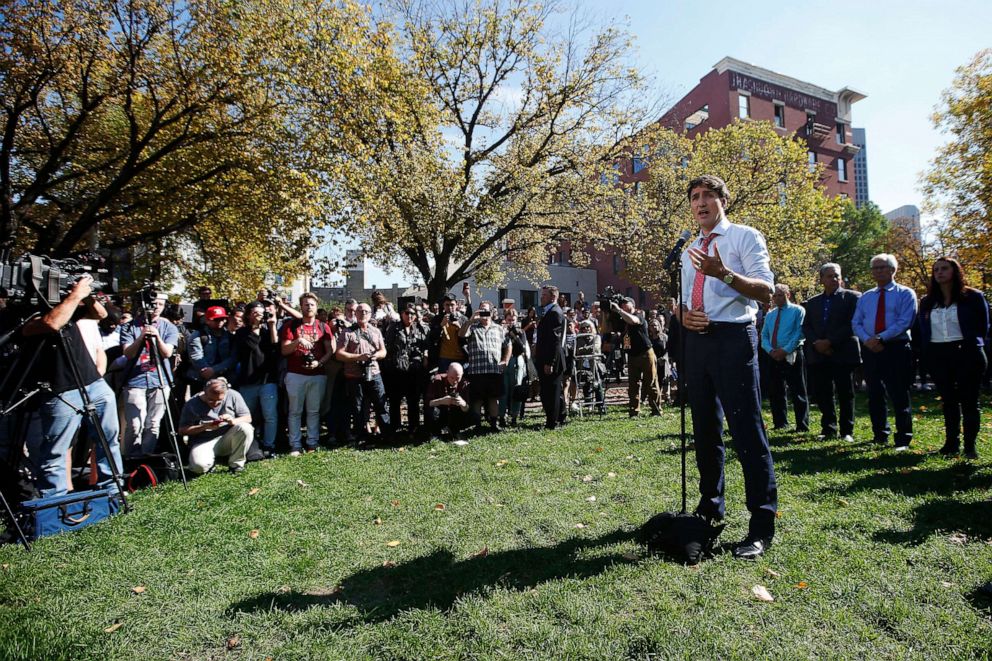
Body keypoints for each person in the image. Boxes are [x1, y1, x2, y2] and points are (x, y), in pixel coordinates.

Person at [679, 174, 776, 559]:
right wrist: (684, 316)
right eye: (694, 197)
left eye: (707, 196)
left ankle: (761, 524)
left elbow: (766, 291)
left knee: (746, 429)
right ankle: (710, 507)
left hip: (735, 340)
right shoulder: (690, 249)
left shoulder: (744, 237)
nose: (700, 203)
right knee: (704, 429)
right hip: (698, 342)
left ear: (723, 200)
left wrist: (724, 274)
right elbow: (687, 300)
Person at [17, 275, 123, 497]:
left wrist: (89, 293)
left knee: (108, 439)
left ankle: (113, 491)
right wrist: (76, 294)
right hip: (60, 390)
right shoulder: (22, 315)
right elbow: (52, 323)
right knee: (56, 450)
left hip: (94, 383)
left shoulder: (67, 305)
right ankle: (55, 502)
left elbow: (100, 315)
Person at [918, 257, 989, 459]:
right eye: (936, 269)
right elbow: (924, 330)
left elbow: (982, 327)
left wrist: (971, 345)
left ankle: (970, 447)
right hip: (939, 354)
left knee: (969, 402)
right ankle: (951, 444)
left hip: (967, 353)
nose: (939, 272)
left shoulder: (973, 296)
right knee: (949, 401)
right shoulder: (927, 301)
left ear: (955, 271)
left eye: (944, 268)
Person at [852, 254, 918, 450]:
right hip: (871, 349)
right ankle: (880, 434)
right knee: (874, 393)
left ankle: (903, 437)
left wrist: (881, 338)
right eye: (875, 268)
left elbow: (905, 321)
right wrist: (868, 340)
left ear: (892, 270)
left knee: (899, 392)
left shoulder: (905, 293)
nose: (878, 271)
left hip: (896, 348)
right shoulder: (866, 296)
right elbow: (856, 322)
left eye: (882, 267)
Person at [802, 263, 861, 442]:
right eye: (829, 276)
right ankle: (828, 428)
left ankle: (846, 431)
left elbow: (852, 323)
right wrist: (817, 343)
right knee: (823, 393)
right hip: (819, 354)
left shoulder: (853, 298)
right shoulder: (812, 303)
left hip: (843, 352)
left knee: (845, 393)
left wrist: (830, 342)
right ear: (821, 279)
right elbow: (807, 326)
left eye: (837, 275)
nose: (834, 279)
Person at [119, 293, 179, 457]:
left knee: (153, 423)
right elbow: (128, 353)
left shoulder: (170, 328)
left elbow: (167, 353)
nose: (156, 307)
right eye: (153, 304)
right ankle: (131, 458)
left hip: (160, 379)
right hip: (135, 380)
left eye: (160, 304)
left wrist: (157, 337)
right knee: (134, 424)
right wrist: (141, 337)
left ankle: (146, 458)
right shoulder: (129, 327)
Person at [281, 292, 335, 455]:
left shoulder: (322, 326)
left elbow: (330, 350)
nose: (309, 307)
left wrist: (319, 363)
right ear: (301, 306)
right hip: (295, 373)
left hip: (317, 373)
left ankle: (312, 442)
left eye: (311, 304)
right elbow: (284, 350)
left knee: (314, 411)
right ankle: (295, 444)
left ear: (316, 307)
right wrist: (298, 341)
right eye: (305, 304)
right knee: (295, 411)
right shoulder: (291, 325)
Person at [336, 303, 390, 445]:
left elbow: (383, 351)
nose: (363, 314)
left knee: (381, 404)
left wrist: (375, 356)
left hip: (374, 372)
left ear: (370, 314)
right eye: (360, 311)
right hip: (354, 375)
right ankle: (362, 437)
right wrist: (358, 357)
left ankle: (386, 435)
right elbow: (339, 354)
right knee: (358, 408)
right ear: (356, 313)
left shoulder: (376, 331)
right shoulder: (347, 332)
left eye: (366, 311)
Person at [760, 284, 809, 433]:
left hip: (792, 354)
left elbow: (799, 333)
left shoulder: (798, 310)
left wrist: (785, 350)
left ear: (788, 294)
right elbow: (764, 335)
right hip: (773, 355)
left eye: (780, 295)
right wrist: (770, 351)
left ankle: (802, 424)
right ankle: (780, 423)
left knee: (798, 390)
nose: (776, 298)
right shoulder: (770, 314)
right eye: (774, 295)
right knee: (776, 390)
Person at [178, 378, 252, 474]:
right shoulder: (192, 404)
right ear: (204, 391)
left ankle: (236, 465)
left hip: (227, 438)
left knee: (245, 427)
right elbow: (182, 430)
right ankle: (211, 462)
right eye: (211, 400)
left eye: (219, 401)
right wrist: (204, 427)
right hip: (203, 441)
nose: (215, 403)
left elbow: (248, 418)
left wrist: (232, 421)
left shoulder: (233, 395)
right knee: (198, 467)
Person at [235, 301, 280, 457]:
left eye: (262, 313)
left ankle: (269, 445)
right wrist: (255, 327)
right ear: (248, 315)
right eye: (255, 313)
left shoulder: (269, 332)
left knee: (270, 415)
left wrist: (273, 325)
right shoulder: (242, 333)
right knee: (247, 416)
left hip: (268, 380)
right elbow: (252, 345)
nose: (259, 316)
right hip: (248, 381)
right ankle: (249, 446)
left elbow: (276, 346)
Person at [459, 301, 511, 432]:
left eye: (486, 311)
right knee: (477, 399)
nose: (484, 313)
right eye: (481, 310)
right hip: (477, 370)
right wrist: (471, 320)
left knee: (494, 398)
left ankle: (494, 424)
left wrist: (505, 360)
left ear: (492, 312)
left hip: (494, 370)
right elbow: (461, 334)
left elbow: (508, 344)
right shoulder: (472, 327)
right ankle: (477, 425)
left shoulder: (499, 329)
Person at [611, 297, 663, 417]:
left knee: (651, 383)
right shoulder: (622, 319)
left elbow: (633, 321)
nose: (623, 305)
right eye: (621, 304)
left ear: (632, 305)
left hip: (646, 353)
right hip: (632, 355)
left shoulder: (638, 315)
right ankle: (634, 411)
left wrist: (619, 311)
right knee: (633, 385)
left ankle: (656, 410)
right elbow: (609, 328)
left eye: (625, 303)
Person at [382, 304, 430, 436]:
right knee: (395, 400)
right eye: (406, 313)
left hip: (414, 370)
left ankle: (413, 427)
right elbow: (389, 347)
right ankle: (395, 427)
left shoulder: (420, 328)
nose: (409, 316)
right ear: (402, 314)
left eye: (412, 314)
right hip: (396, 370)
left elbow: (425, 345)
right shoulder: (394, 328)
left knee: (413, 400)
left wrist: (425, 355)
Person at [534, 285, 567, 429]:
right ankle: (559, 417)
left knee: (551, 392)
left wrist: (550, 362)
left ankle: (553, 422)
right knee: (550, 390)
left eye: (545, 295)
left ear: (553, 297)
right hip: (545, 358)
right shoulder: (548, 312)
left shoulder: (554, 313)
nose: (542, 297)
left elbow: (555, 341)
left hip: (551, 360)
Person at [185, 305, 236, 394]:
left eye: (222, 319)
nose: (220, 322)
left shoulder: (230, 337)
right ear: (207, 320)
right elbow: (196, 356)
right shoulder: (198, 335)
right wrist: (206, 370)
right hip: (200, 379)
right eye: (216, 319)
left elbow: (233, 357)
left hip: (225, 378)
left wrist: (214, 370)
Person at [500, 308, 530, 426]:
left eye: (513, 319)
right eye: (509, 319)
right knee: (503, 391)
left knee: (516, 390)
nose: (511, 322)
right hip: (504, 361)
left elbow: (522, 348)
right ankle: (501, 416)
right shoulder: (500, 330)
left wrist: (514, 334)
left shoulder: (521, 332)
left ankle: (514, 417)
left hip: (517, 361)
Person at [426, 363, 471, 438]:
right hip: (440, 412)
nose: (455, 381)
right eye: (452, 378)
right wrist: (441, 401)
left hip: (455, 413)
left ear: (462, 375)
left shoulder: (464, 383)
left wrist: (463, 403)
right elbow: (428, 403)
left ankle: (455, 431)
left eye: (457, 378)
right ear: (447, 372)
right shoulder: (437, 380)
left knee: (468, 412)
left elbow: (467, 409)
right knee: (433, 410)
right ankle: (435, 433)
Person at [428, 294, 468, 372]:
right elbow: (432, 338)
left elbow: (468, 338)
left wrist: (460, 328)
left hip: (461, 357)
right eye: (447, 305)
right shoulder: (437, 319)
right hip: (444, 357)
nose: (449, 307)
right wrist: (440, 326)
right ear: (443, 305)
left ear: (457, 305)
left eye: (452, 305)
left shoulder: (463, 319)